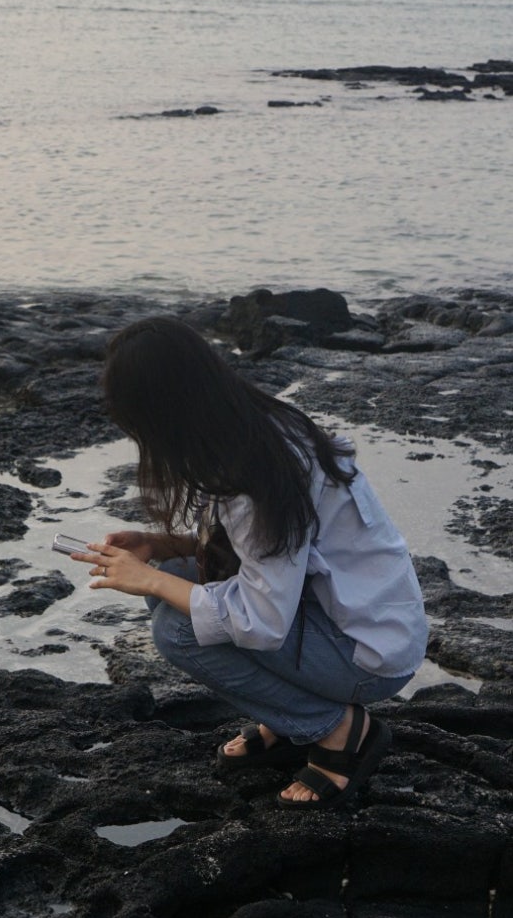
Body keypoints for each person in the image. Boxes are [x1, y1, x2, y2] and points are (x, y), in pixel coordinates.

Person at [73, 316, 428, 811]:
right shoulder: (257, 429)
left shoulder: (258, 475)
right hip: (342, 616)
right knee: (174, 582)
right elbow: (260, 554)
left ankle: (338, 730)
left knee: (176, 630)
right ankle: (290, 718)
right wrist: (161, 545)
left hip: (367, 655)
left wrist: (147, 579)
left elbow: (262, 620)